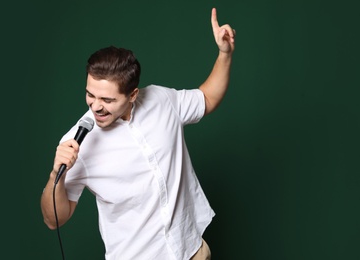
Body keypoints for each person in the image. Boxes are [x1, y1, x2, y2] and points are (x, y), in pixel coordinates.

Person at [41, 7, 235, 260]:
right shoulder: (78, 143)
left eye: (107, 99)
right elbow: (54, 219)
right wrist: (57, 173)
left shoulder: (161, 100)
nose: (96, 106)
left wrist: (224, 54)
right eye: (90, 94)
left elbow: (207, 98)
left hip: (191, 251)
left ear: (133, 95)